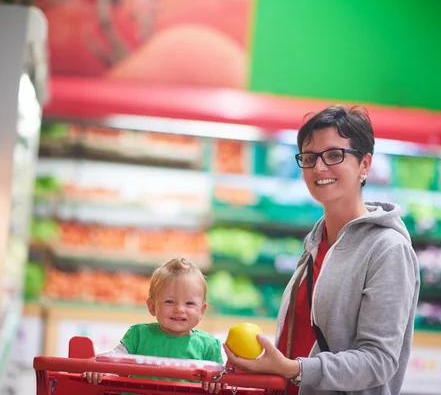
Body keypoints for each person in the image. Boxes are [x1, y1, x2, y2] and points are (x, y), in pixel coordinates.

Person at [223, 105, 420, 395]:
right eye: (310, 157)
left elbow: (379, 361)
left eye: (334, 155)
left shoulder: (387, 250)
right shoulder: (317, 241)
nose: (319, 167)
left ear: (364, 165)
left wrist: (296, 369)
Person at [84, 258, 224, 394]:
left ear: (202, 310)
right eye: (169, 301)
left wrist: (216, 380)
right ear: (152, 306)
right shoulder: (138, 335)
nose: (179, 309)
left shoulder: (209, 346)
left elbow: (221, 377)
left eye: (189, 303)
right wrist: (100, 366)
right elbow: (115, 357)